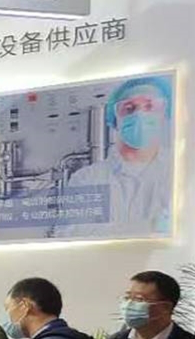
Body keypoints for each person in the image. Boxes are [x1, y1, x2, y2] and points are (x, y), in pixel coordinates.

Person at [58, 75, 174, 239]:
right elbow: (70, 234)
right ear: (114, 119)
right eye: (129, 108)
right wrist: (152, 226)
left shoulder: (179, 171)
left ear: (165, 114)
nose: (140, 115)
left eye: (149, 106)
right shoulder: (87, 178)